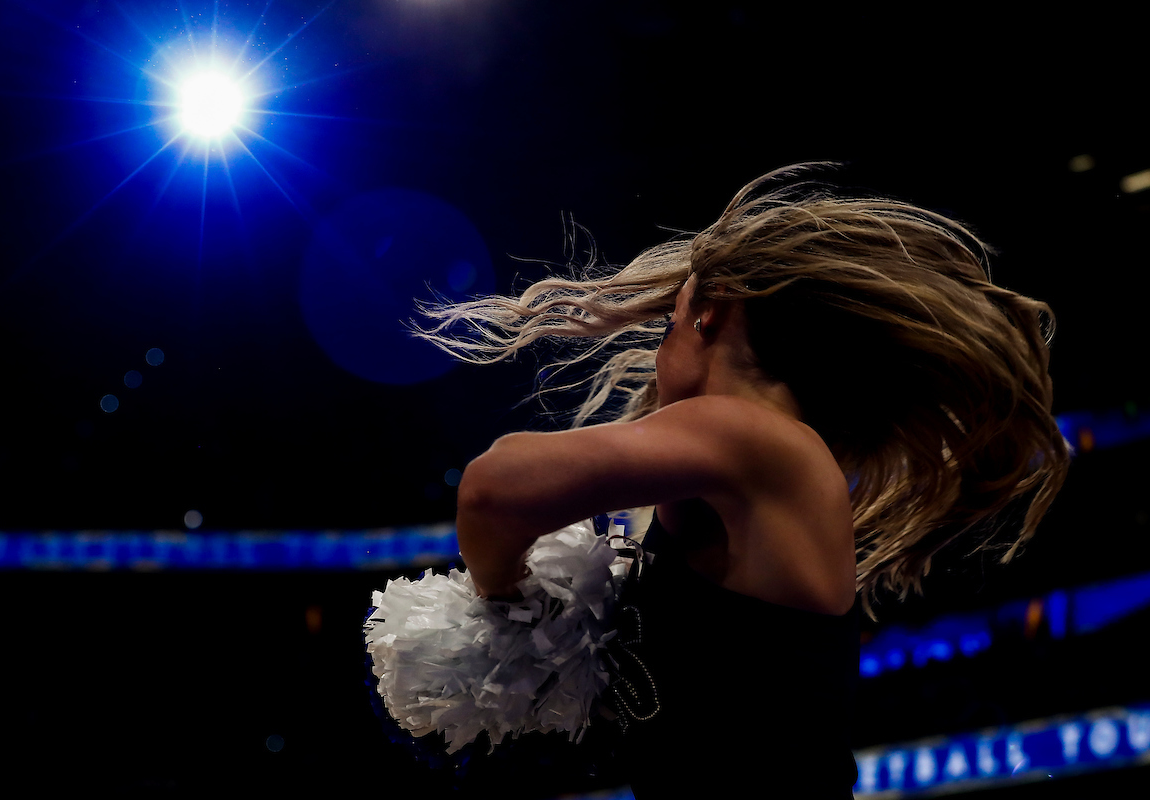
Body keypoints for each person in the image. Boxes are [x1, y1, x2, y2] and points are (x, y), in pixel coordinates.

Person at [414, 162, 1071, 797]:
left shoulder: (753, 440)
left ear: (710, 313)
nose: (654, 355)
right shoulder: (754, 463)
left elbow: (493, 490)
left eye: (669, 322)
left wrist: (510, 612)